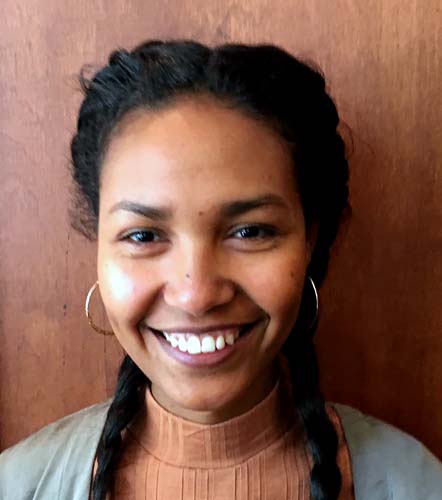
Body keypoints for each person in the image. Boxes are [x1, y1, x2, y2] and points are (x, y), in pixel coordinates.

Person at [0, 40, 441, 500]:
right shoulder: (18, 485)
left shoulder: (413, 484)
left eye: (250, 231)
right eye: (144, 236)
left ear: (310, 242)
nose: (196, 296)